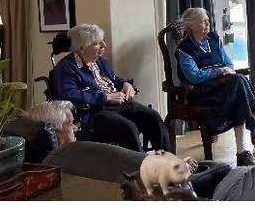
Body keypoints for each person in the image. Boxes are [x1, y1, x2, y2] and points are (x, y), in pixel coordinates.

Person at [176, 8, 255, 167]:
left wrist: (227, 70)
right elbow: (193, 75)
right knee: (239, 82)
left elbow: (227, 62)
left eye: (207, 19)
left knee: (238, 89)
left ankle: (244, 151)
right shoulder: (185, 48)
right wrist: (218, 72)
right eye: (203, 21)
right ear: (191, 25)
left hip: (223, 86)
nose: (208, 22)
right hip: (201, 91)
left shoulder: (214, 38)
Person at [53, 24, 171, 153]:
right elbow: (69, 94)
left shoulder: (99, 61)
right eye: (98, 43)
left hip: (119, 104)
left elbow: (113, 80)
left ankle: (167, 161)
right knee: (128, 127)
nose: (104, 45)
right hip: (95, 111)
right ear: (82, 48)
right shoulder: (65, 67)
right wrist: (105, 97)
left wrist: (127, 84)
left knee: (153, 117)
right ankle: (139, 166)